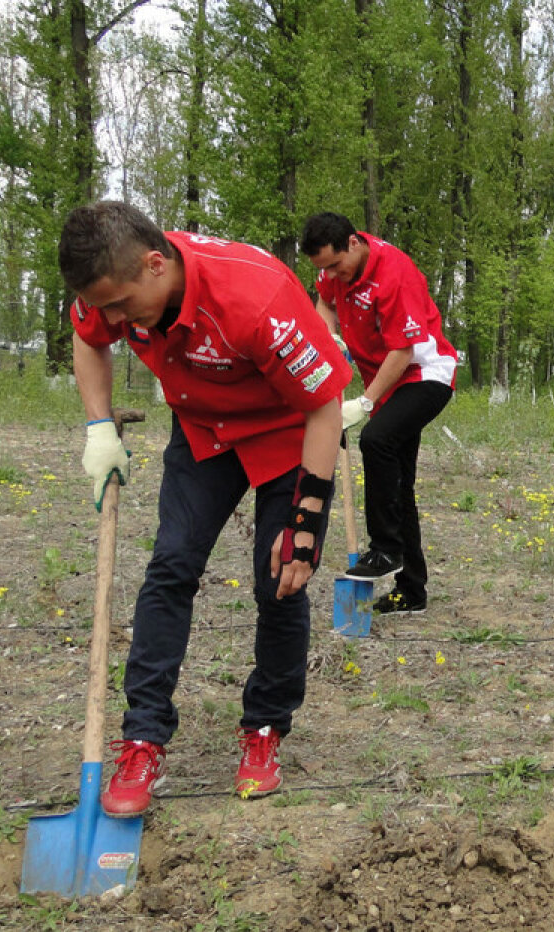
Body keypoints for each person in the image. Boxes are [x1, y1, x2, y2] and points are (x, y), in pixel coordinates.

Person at [62, 201, 348, 816]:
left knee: (281, 578)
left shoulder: (257, 299)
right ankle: (143, 738)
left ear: (155, 264)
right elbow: (88, 340)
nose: (113, 320)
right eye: (103, 307)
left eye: (120, 306)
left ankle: (265, 727)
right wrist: (98, 427)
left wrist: (305, 523)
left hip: (287, 431)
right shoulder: (112, 288)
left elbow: (324, 408)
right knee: (171, 565)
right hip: (204, 431)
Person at [299, 212, 456, 615]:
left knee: (376, 439)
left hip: (424, 374)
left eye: (336, 265)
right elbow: (324, 302)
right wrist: (330, 336)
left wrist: (365, 403)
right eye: (324, 268)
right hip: (388, 379)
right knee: (398, 485)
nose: (332, 275)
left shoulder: (395, 274)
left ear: (353, 243)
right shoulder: (334, 270)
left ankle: (386, 549)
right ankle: (412, 590)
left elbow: (403, 351)